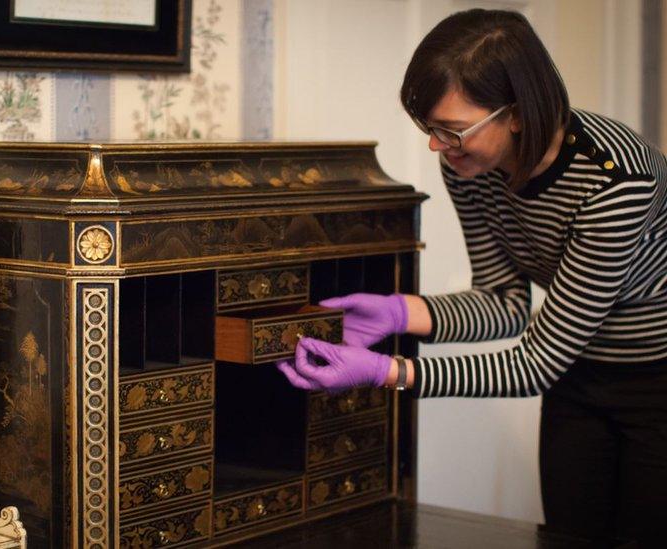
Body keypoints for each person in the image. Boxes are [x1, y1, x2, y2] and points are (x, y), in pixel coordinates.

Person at [276, 8, 667, 548]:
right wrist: (399, 311)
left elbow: (535, 363)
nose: (437, 147)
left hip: (657, 380)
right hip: (578, 377)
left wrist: (390, 371)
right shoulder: (471, 163)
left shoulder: (617, 180)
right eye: (430, 129)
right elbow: (504, 301)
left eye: (452, 131)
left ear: (518, 114)